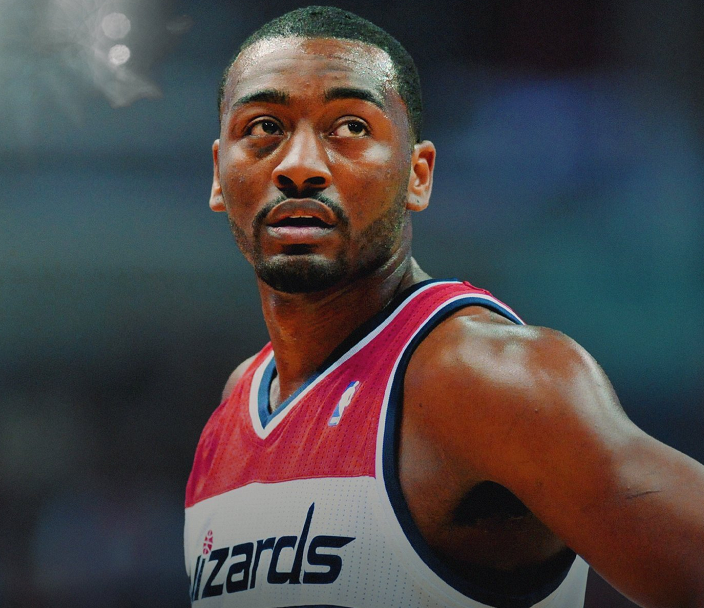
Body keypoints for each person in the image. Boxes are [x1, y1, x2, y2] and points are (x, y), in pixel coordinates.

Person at [184, 6, 704, 608]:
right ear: (219, 175)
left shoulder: (487, 378)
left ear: (418, 176)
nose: (300, 166)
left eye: (349, 127)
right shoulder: (233, 408)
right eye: (263, 128)